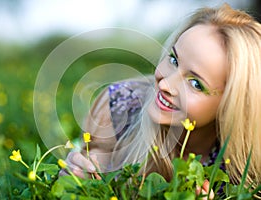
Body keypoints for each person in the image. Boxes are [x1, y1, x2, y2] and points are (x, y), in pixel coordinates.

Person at [64, 3, 261, 198]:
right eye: (174, 60)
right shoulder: (120, 106)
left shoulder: (244, 172)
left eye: (195, 84)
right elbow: (91, 166)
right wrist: (77, 174)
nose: (166, 84)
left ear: (232, 106)